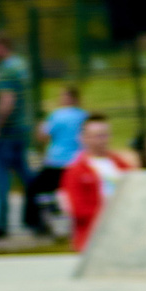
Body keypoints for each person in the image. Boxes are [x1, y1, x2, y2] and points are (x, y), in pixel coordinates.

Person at [58, 114, 136, 252]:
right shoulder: (75, 171)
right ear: (84, 138)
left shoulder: (120, 165)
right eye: (97, 136)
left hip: (124, 235)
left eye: (105, 135)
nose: (102, 140)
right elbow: (78, 209)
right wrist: (111, 215)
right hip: (92, 239)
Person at [0, 38, 32, 237]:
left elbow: (6, 100)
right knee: (25, 174)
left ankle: (1, 223)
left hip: (7, 132)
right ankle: (37, 213)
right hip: (21, 129)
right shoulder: (20, 65)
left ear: (2, 46)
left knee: (2, 177)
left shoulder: (5, 70)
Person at [31, 83, 87, 234]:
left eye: (62, 96)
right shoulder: (84, 116)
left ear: (68, 98)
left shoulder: (57, 115)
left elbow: (42, 136)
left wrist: (41, 123)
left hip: (56, 163)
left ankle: (37, 224)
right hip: (76, 162)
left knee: (35, 188)